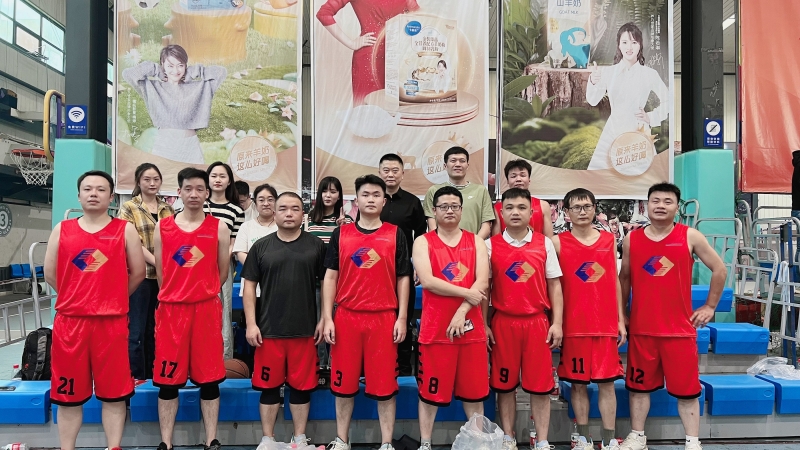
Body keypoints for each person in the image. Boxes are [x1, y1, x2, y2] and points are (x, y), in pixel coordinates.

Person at [618, 183, 727, 450]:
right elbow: (624, 278)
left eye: (668, 201)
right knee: (638, 389)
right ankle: (637, 437)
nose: (661, 206)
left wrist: (710, 306)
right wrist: (622, 314)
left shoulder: (690, 236)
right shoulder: (632, 239)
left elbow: (720, 269)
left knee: (687, 392)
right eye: (655, 200)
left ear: (677, 207)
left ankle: (692, 442)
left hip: (678, 331)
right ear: (647, 205)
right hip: (642, 330)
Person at [43, 170, 146, 450]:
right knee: (68, 396)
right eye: (88, 189)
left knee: (114, 394)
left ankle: (114, 446)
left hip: (111, 324)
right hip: (71, 324)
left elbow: (138, 272)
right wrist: (76, 296)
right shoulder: (62, 229)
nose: (93, 194)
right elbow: (50, 273)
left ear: (111, 197)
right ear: (79, 195)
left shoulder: (124, 229)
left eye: (101, 189)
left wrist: (112, 298)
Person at [321, 174, 411, 450]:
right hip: (346, 317)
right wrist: (327, 317)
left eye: (376, 195)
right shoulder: (341, 233)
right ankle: (341, 440)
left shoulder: (395, 234)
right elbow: (330, 277)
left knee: (385, 387)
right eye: (365, 194)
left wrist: (402, 318)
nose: (370, 199)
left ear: (384, 201)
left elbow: (403, 278)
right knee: (342, 385)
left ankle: (386, 443)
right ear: (356, 200)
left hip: (383, 318)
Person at [153, 168, 230, 450]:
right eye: (188, 188)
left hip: (206, 310)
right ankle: (166, 442)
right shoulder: (163, 227)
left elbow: (222, 271)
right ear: (179, 192)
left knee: (209, 379)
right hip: (172, 311)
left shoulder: (219, 227)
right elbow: (161, 272)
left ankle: (211, 439)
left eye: (199, 189)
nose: (194, 194)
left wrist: (202, 291)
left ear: (207, 193)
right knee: (168, 380)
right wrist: (177, 293)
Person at [242, 192, 326, 449]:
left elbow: (327, 284)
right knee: (269, 388)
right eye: (283, 209)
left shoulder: (316, 246)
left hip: (305, 330)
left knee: (302, 388)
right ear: (275, 212)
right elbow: (249, 287)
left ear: (303, 214)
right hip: (268, 331)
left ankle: (299, 438)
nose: (289, 213)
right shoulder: (261, 247)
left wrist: (325, 318)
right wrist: (251, 324)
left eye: (295, 209)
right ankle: (268, 439)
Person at [485, 188, 563, 450]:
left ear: (532, 212)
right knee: (505, 386)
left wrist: (557, 323)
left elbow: (555, 286)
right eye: (509, 208)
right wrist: (484, 324)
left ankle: (542, 440)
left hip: (537, 323)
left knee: (540, 388)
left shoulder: (545, 244)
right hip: (503, 324)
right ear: (501, 213)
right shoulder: (489, 246)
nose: (515, 212)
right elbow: (484, 290)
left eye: (521, 207)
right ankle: (508, 438)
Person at [413, 186, 490, 450]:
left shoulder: (476, 241)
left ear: (461, 210)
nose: (449, 210)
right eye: (443, 206)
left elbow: (482, 281)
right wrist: (468, 293)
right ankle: (425, 443)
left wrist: (461, 311)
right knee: (429, 394)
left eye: (454, 206)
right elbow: (428, 281)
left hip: (471, 329)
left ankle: (477, 444)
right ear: (434, 211)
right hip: (436, 330)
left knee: (474, 394)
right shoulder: (423, 242)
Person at [553, 188, 626, 450]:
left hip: (604, 324)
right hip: (574, 325)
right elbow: (553, 285)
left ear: (595, 209)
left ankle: (608, 439)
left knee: (607, 384)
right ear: (566, 212)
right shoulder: (557, 243)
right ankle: (582, 438)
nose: (582, 212)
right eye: (576, 207)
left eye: (587, 206)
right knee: (578, 385)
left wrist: (620, 319)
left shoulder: (608, 240)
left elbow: (614, 281)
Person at [122, 44, 227, 164]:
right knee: (162, 175)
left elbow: (221, 73)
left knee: (195, 176)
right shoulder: (153, 87)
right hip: (164, 146)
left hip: (190, 147)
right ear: (163, 65)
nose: (175, 71)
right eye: (170, 66)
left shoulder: (196, 87)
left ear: (185, 65)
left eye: (180, 65)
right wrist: (156, 70)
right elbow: (128, 74)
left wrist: (193, 72)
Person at [585, 22, 669, 170]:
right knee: (603, 176)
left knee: (641, 176)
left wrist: (651, 117)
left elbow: (668, 101)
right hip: (613, 130)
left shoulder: (649, 74)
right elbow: (592, 100)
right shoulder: (608, 72)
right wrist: (593, 81)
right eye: (624, 42)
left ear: (640, 45)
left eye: (634, 42)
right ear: (619, 45)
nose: (629, 47)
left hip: (638, 131)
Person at [118, 163, 175, 380]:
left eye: (156, 179)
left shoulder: (168, 209)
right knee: (136, 332)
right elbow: (132, 243)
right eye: (147, 179)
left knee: (156, 330)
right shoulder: (129, 207)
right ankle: (136, 377)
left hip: (164, 277)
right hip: (140, 276)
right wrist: (158, 263)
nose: (152, 183)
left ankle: (153, 376)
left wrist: (167, 268)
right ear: (138, 182)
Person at [378, 153, 428, 376]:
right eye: (386, 170)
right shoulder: (373, 201)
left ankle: (404, 369)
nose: (390, 174)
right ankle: (378, 365)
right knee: (379, 318)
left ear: (402, 173)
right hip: (376, 269)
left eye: (395, 170)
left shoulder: (412, 202)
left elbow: (421, 236)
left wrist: (417, 264)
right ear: (379, 172)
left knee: (403, 317)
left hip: (403, 269)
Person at [316, 0, 420, 105]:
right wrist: (351, 43)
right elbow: (324, 14)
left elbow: (419, 18)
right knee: (367, 109)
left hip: (399, 60)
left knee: (396, 110)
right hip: (369, 61)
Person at [204, 162, 244, 360]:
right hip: (198, 268)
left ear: (229, 181)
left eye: (222, 176)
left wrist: (220, 261)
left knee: (224, 312)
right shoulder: (200, 205)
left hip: (224, 267)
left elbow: (234, 242)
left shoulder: (236, 210)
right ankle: (202, 357)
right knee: (202, 312)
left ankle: (225, 359)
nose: (217, 180)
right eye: (214, 176)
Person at [423, 146, 494, 239]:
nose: (458, 164)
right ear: (445, 166)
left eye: (462, 161)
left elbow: (486, 225)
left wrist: (474, 243)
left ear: (467, 166)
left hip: (473, 244)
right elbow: (431, 225)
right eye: (453, 161)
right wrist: (440, 244)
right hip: (441, 245)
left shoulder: (481, 191)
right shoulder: (433, 191)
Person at [491, 159, 553, 238]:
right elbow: (496, 240)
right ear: (507, 181)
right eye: (513, 176)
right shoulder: (497, 208)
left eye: (522, 175)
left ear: (529, 180)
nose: (518, 179)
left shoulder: (543, 205)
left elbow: (549, 239)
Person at [234, 184, 279, 266]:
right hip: (252, 271)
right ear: (255, 203)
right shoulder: (246, 227)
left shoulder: (282, 226)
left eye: (270, 200)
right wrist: (257, 267)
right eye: (261, 200)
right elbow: (240, 253)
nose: (266, 204)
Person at [306, 176, 353, 244]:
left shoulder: (347, 220)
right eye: (324, 191)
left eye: (333, 192)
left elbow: (351, 246)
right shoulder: (307, 219)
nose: (328, 195)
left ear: (339, 196)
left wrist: (343, 228)